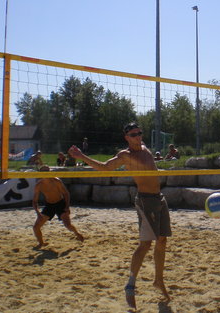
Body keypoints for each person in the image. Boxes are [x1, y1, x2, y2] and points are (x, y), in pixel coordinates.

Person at [69, 122, 171, 310]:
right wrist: (81, 156)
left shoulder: (145, 148)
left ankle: (158, 280)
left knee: (163, 240)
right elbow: (105, 167)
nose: (138, 136)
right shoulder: (126, 155)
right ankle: (130, 285)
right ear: (126, 137)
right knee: (145, 244)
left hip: (159, 198)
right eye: (134, 134)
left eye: (139, 133)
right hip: (146, 200)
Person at [32, 165, 84, 248]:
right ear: (40, 174)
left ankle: (77, 233)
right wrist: (38, 213)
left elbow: (66, 193)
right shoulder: (39, 185)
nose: (45, 174)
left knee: (68, 225)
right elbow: (34, 201)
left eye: (47, 172)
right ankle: (41, 243)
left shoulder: (56, 181)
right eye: (43, 172)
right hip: (49, 205)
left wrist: (67, 207)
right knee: (36, 227)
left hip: (60, 203)